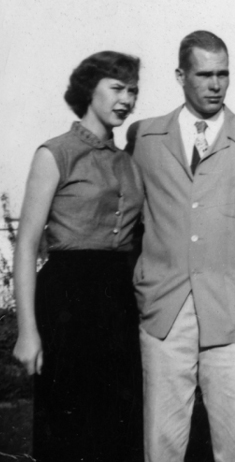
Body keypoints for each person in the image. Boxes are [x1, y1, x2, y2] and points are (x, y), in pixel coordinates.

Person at [126, 30, 235, 462]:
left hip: (234, 310)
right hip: (165, 311)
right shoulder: (145, 140)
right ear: (180, 75)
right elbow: (128, 224)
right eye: (205, 75)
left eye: (224, 73)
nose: (216, 84)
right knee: (161, 443)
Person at [12, 51, 143, 462]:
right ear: (90, 89)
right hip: (66, 298)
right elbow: (26, 246)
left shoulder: (129, 162)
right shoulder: (55, 153)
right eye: (117, 88)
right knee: (68, 423)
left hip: (118, 298)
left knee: (117, 422)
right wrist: (27, 331)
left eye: (133, 90)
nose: (127, 98)